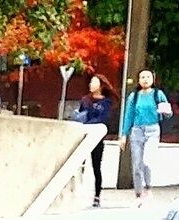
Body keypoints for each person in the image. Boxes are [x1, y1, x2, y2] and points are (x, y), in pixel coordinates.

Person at [120, 68, 171, 203]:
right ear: (138, 80)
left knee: (147, 161)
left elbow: (168, 112)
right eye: (142, 77)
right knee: (137, 163)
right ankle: (138, 193)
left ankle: (148, 187)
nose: (145, 79)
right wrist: (124, 134)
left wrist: (165, 111)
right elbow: (128, 116)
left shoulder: (158, 94)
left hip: (152, 130)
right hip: (137, 131)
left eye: (148, 77)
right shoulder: (134, 96)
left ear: (153, 79)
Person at [73, 75, 114, 207]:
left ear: (101, 85)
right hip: (83, 136)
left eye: (94, 82)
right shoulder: (85, 100)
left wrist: (89, 125)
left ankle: (97, 195)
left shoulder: (106, 102)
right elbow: (80, 115)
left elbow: (104, 118)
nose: (91, 84)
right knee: (79, 166)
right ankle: (76, 191)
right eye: (90, 82)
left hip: (97, 137)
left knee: (96, 166)